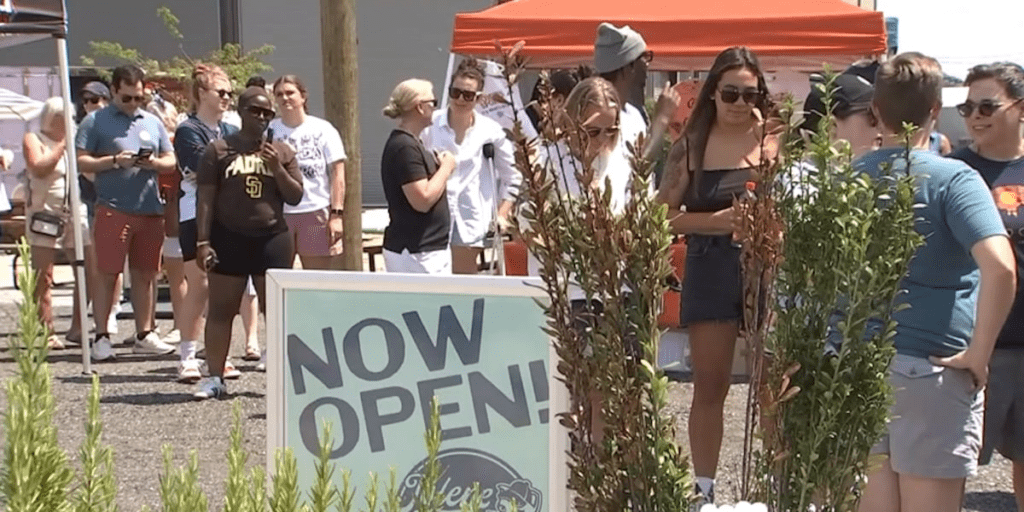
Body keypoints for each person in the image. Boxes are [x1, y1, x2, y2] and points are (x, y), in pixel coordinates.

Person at [855, 53, 1016, 512]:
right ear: (933, 112)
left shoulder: (848, 182)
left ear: (876, 112)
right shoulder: (955, 180)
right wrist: (979, 353)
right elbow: (1001, 267)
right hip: (933, 368)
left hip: (861, 366)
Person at [656, 46, 775, 507]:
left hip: (764, 267)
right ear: (711, 95)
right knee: (710, 383)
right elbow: (660, 217)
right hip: (710, 264)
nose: (741, 103)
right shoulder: (690, 146)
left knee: (772, 384)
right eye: (731, 93)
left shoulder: (773, 143)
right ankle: (703, 491)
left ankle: (773, 482)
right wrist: (716, 222)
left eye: (751, 94)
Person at [192, 86, 303, 399]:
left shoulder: (281, 151)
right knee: (221, 310)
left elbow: (295, 195)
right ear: (240, 112)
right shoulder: (218, 150)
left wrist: (276, 167)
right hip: (229, 236)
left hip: (272, 239)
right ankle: (215, 377)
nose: (262, 118)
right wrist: (203, 241)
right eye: (255, 111)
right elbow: (205, 199)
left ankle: (283, 381)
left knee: (278, 313)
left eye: (267, 113)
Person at [948, 61, 1024, 512]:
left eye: (987, 104)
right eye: (967, 105)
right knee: (952, 463)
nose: (974, 114)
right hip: (969, 344)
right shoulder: (953, 171)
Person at [75, 64, 178, 361]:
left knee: (146, 273)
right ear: (114, 91)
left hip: (149, 208)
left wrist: (155, 165)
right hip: (113, 207)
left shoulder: (151, 122)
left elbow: (170, 159)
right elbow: (82, 160)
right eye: (127, 98)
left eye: (138, 98)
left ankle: (145, 332)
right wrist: (114, 161)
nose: (133, 104)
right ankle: (102, 335)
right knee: (108, 272)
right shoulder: (95, 122)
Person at [170, 64, 244, 383]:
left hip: (228, 216)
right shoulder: (188, 130)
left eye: (230, 93)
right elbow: (198, 169)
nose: (227, 98)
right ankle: (187, 355)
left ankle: (217, 355)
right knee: (198, 286)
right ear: (202, 93)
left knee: (222, 289)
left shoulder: (229, 131)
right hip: (195, 213)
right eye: (221, 92)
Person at [421, 59, 520, 274]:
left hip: (470, 217)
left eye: (467, 95)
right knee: (433, 279)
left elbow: (512, 176)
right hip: (433, 216)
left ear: (478, 98)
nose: (460, 99)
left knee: (463, 279)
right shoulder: (430, 126)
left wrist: (502, 213)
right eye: (455, 92)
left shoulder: (490, 131)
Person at [22, 97, 95, 350]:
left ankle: (78, 326)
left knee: (87, 267)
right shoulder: (34, 139)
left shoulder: (76, 143)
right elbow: (39, 168)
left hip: (74, 208)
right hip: (45, 211)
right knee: (44, 274)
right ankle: (46, 330)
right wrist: (62, 145)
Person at [270, 75, 347, 270]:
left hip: (315, 211)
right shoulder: (270, 130)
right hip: (280, 214)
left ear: (303, 97)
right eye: (279, 94)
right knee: (278, 276)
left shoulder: (323, 129)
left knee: (316, 280)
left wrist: (336, 214)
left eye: (290, 93)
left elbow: (338, 173)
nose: (285, 98)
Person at [380, 79, 456, 274]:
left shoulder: (413, 143)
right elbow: (422, 200)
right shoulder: (405, 147)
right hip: (417, 253)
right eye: (433, 102)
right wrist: (446, 168)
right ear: (420, 107)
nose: (435, 108)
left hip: (426, 250)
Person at [593, 22, 679, 160]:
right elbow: (636, 167)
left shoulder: (633, 114)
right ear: (630, 65)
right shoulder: (597, 117)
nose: (647, 65)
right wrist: (662, 118)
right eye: (644, 57)